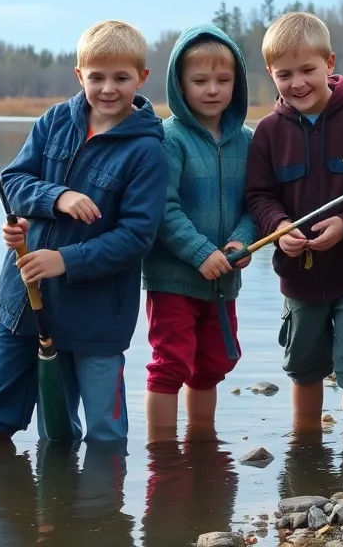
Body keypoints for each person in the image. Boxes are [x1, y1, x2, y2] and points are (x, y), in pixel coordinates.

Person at [0, 19, 170, 449]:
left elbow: (137, 237)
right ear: (79, 75)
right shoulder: (54, 121)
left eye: (121, 78)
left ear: (141, 78)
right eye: (96, 77)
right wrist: (56, 197)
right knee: (56, 432)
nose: (107, 88)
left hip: (98, 316)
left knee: (105, 433)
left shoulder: (147, 152)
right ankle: (58, 513)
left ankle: (106, 513)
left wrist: (67, 260)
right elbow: (13, 182)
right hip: (30, 301)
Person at [244, 11, 343, 441]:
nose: (298, 83)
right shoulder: (269, 132)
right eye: (284, 74)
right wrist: (279, 226)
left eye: (308, 70)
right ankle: (305, 450)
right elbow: (259, 197)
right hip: (298, 280)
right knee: (304, 367)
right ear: (271, 75)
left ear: (329, 64)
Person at [141, 25, 256, 440]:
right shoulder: (168, 140)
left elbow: (256, 202)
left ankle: (202, 440)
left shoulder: (249, 140)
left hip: (224, 278)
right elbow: (161, 208)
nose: (212, 90)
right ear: (179, 83)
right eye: (200, 81)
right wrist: (199, 252)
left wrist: (242, 241)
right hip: (173, 277)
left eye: (223, 81)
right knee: (171, 362)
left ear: (237, 83)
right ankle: (163, 451)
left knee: (212, 364)